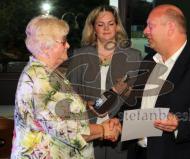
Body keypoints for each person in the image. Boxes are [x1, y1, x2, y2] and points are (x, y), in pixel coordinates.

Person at [124, 4, 190, 159]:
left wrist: (180, 124)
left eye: (150, 26)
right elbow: (138, 105)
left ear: (170, 28)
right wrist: (119, 123)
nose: (145, 31)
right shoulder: (149, 61)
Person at [11, 15, 121, 159]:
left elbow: (56, 109)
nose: (68, 45)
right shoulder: (42, 80)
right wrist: (103, 130)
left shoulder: (46, 71)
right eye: (63, 41)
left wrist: (85, 106)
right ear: (46, 46)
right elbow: (70, 132)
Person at [66, 5, 141, 159]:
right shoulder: (79, 56)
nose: (106, 28)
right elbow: (68, 95)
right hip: (88, 131)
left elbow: (138, 98)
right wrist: (86, 103)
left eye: (111, 23)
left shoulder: (134, 56)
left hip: (120, 129)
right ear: (93, 28)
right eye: (101, 24)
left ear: (117, 26)